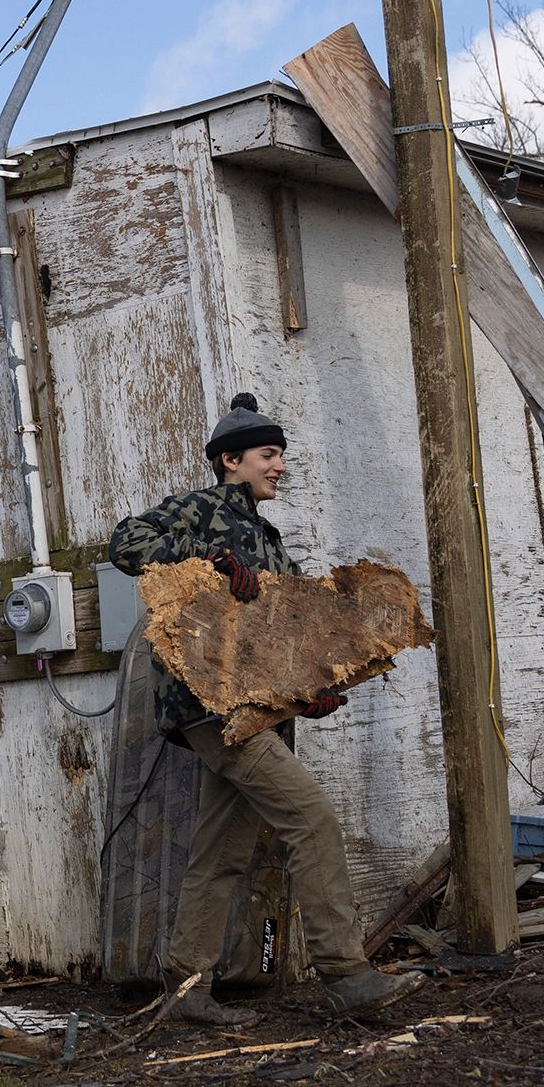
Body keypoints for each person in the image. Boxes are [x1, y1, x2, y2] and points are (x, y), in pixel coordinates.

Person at [107, 393, 416, 1028]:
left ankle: (187, 986)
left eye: (280, 455)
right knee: (312, 819)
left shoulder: (270, 543)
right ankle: (345, 973)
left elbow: (290, 643)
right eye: (268, 455)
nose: (279, 466)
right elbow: (125, 544)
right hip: (212, 708)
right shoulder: (202, 510)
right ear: (230, 461)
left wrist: (319, 694)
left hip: (257, 712)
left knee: (221, 853)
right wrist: (211, 566)